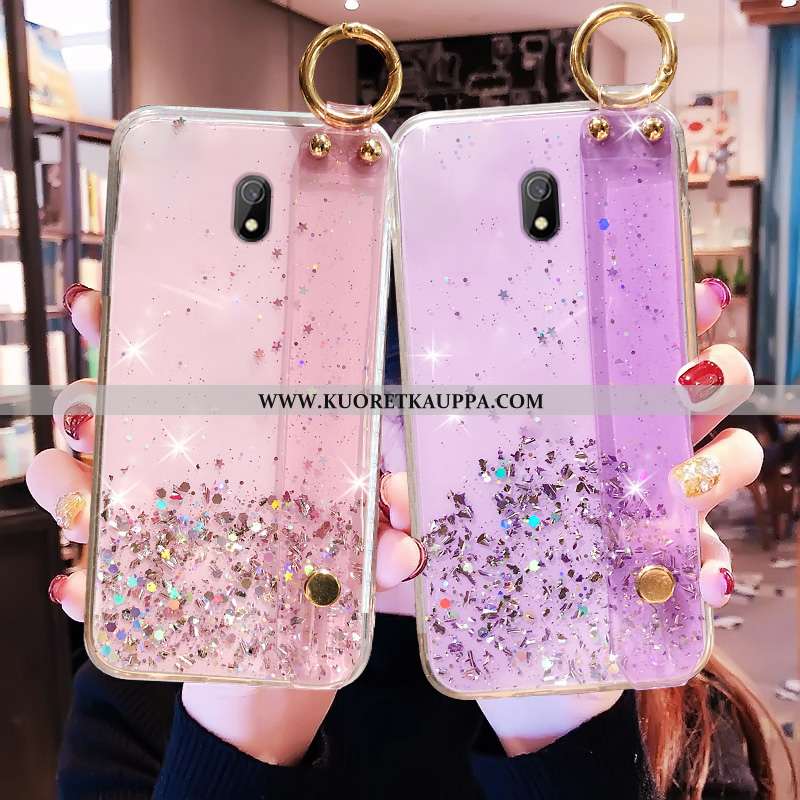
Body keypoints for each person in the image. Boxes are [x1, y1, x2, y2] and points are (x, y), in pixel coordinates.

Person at [28, 280, 795, 799]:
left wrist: (560, 697)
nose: (398, 430)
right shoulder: (146, 692)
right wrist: (241, 715)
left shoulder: (674, 707)